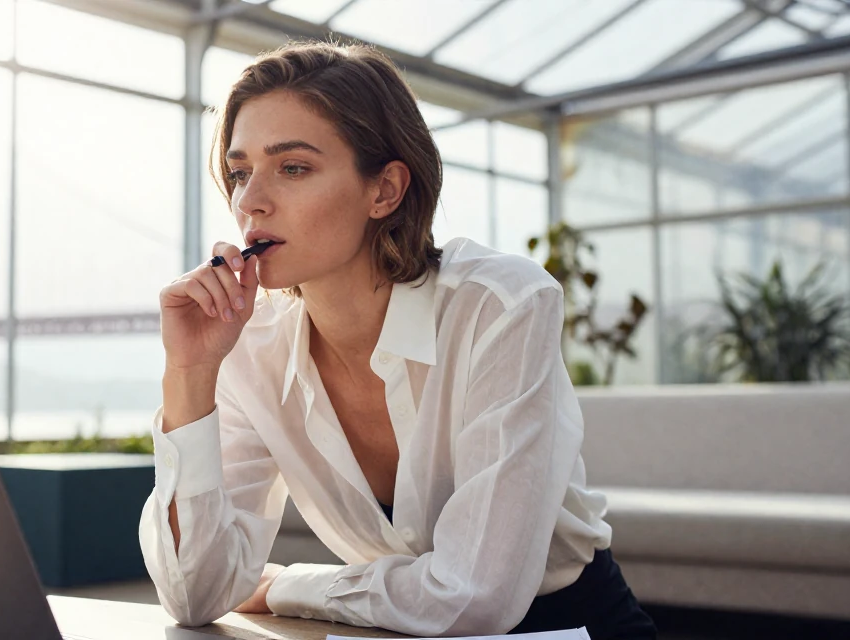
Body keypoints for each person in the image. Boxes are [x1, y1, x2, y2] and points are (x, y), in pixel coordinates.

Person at [138, 40, 656, 639]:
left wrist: (290, 585)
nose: (249, 201)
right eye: (238, 171)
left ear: (383, 190)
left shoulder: (498, 307)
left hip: (568, 623)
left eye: (293, 167)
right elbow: (195, 594)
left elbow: (475, 600)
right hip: (388, 628)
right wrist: (190, 373)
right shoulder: (247, 342)